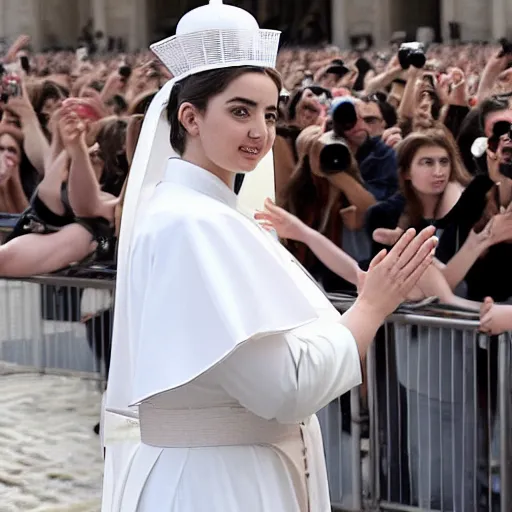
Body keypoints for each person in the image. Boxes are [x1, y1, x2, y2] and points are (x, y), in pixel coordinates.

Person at [101, 2, 437, 511]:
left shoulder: (201, 213)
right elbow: (283, 388)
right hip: (218, 483)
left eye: (269, 113)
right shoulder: (193, 223)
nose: (260, 130)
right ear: (190, 116)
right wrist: (371, 307)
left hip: (232, 466)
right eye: (241, 111)